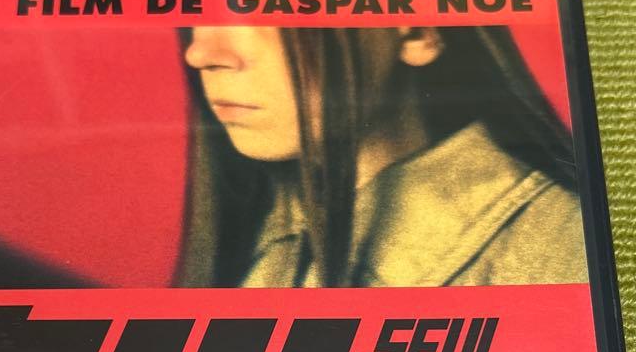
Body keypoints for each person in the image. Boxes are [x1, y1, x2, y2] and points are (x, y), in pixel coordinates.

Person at [177, 25, 587, 288]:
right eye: (200, 5)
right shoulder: (256, 239)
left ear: (418, 31)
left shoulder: (561, 255)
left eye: (258, 2)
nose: (201, 53)